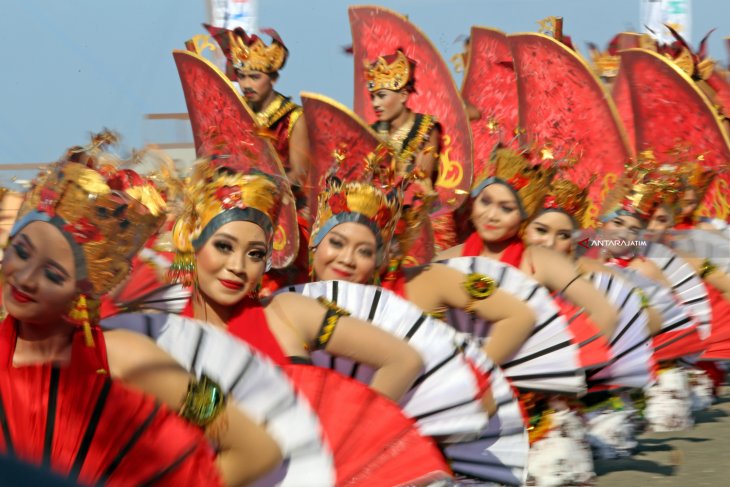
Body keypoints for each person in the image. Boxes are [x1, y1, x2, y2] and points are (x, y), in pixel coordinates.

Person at [0, 145, 281, 486]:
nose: (26, 278)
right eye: (21, 252)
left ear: (83, 289)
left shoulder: (127, 356)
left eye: (54, 274)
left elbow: (255, 447)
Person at [438, 144, 619, 337]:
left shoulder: (542, 262)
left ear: (524, 217)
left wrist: (570, 360)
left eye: (506, 209)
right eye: (485, 201)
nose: (491, 215)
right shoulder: (446, 260)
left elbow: (605, 314)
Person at [204, 24, 310, 204]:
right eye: (241, 76)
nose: (246, 85)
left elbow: (299, 175)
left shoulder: (294, 118)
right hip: (235, 200)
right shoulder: (232, 114)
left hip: (281, 204)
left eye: (254, 77)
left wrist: (260, 187)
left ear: (274, 78)